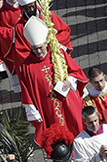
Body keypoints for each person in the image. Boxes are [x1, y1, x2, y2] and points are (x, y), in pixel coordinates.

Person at [19, 16, 88, 144]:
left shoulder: (58, 52)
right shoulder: (27, 65)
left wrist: (69, 80)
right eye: (35, 49)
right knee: (59, 132)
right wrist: (33, 110)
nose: (38, 51)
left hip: (68, 98)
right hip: (49, 105)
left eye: (41, 47)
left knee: (77, 123)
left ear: (46, 43)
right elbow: (26, 90)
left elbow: (76, 71)